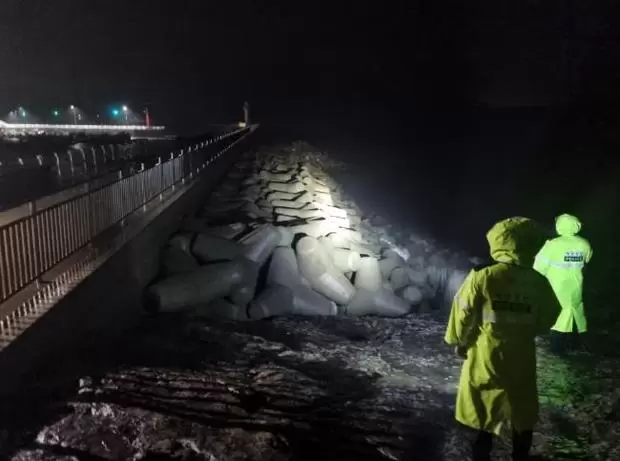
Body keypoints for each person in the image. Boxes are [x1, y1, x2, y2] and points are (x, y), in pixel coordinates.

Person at [445, 217, 561, 461]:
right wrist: (530, 330)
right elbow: (551, 313)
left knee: (483, 407)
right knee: (522, 407)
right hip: (522, 354)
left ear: (498, 240)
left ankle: (481, 455)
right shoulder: (539, 282)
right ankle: (520, 456)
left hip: (487, 354)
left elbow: (462, 310)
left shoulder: (483, 275)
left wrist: (460, 341)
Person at [533, 213, 593, 352]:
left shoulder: (553, 244)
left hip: (555, 287)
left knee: (558, 316)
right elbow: (587, 260)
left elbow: (539, 267)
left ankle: (557, 350)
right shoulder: (584, 243)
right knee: (575, 312)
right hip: (576, 285)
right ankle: (578, 346)